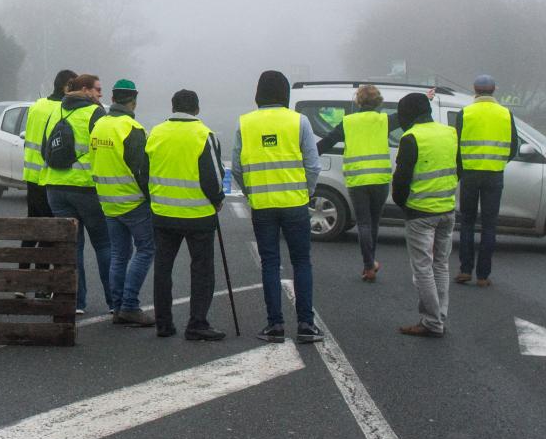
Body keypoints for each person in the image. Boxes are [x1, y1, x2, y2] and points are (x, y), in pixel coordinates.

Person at [237, 70, 323, 344]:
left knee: (270, 263)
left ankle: (275, 325)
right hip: (295, 203)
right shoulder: (299, 121)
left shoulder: (245, 123)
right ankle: (306, 325)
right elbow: (313, 164)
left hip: (262, 205)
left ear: (258, 93)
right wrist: (306, 192)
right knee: (301, 262)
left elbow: (237, 168)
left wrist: (251, 192)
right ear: (285, 93)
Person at [147, 89, 226, 340]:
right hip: (198, 214)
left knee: (163, 268)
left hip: (163, 212)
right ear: (197, 109)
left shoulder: (156, 132)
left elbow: (145, 167)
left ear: (172, 108)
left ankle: (163, 323)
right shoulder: (204, 134)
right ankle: (197, 324)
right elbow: (213, 176)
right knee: (201, 270)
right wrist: (218, 200)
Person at [41, 73, 113, 315]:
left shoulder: (55, 112)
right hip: (86, 188)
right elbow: (105, 150)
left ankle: (76, 302)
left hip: (55, 188)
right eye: (98, 90)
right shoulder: (95, 113)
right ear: (85, 90)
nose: (101, 94)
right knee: (104, 244)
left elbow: (45, 150)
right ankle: (115, 302)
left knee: (73, 247)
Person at [391, 91, 460, 338]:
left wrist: (403, 203)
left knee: (422, 268)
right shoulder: (450, 132)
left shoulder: (411, 138)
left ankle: (432, 322)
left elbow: (401, 178)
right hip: (447, 209)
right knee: (441, 265)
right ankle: (439, 315)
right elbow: (458, 167)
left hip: (420, 211)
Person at [89, 79, 154, 327]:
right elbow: (142, 170)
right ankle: (129, 305)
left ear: (113, 99)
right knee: (146, 249)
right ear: (133, 100)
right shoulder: (131, 128)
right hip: (133, 201)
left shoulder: (99, 125)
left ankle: (117, 307)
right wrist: (151, 199)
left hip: (107, 200)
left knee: (119, 255)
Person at [316, 85, 397, 282]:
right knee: (374, 222)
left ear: (358, 101)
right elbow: (409, 112)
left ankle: (368, 265)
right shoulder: (385, 120)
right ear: (379, 101)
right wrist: (427, 98)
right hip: (379, 179)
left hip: (357, 179)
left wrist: (303, 158)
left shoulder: (348, 122)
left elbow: (325, 143)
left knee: (363, 223)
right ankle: (370, 262)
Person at [454, 74, 517, 287]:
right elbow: (514, 146)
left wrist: (461, 170)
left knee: (467, 223)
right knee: (489, 225)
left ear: (475, 90)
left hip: (470, 174)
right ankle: (483, 275)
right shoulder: (506, 114)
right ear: (494, 90)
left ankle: (465, 270)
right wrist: (498, 162)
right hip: (494, 174)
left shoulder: (465, 113)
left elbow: (457, 144)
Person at [18, 69, 76, 286]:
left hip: (31, 175)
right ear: (66, 87)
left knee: (32, 225)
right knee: (48, 231)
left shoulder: (37, 105)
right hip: (49, 176)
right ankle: (41, 282)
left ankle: (22, 278)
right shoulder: (61, 109)